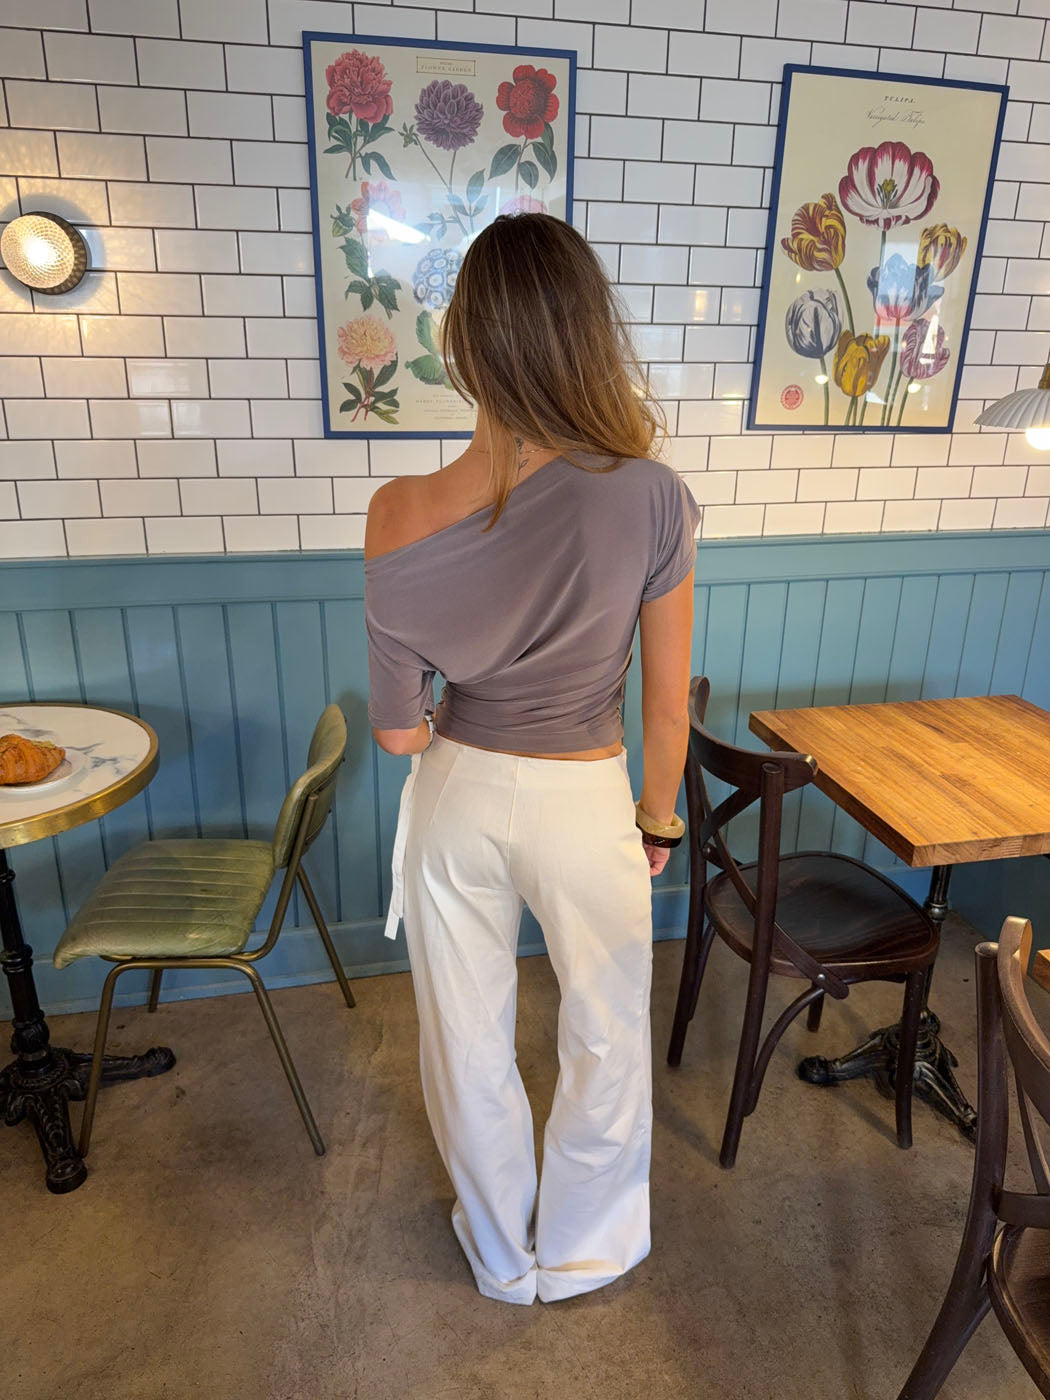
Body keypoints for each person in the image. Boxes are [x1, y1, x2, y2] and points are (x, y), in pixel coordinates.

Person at [364, 213, 699, 1306]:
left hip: (456, 792)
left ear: (464, 343)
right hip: (585, 794)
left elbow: (399, 734)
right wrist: (658, 821)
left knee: (465, 1036)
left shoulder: (398, 510)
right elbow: (665, 707)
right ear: (587, 331)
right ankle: (585, 1248)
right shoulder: (651, 494)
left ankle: (503, 1256)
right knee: (605, 1029)